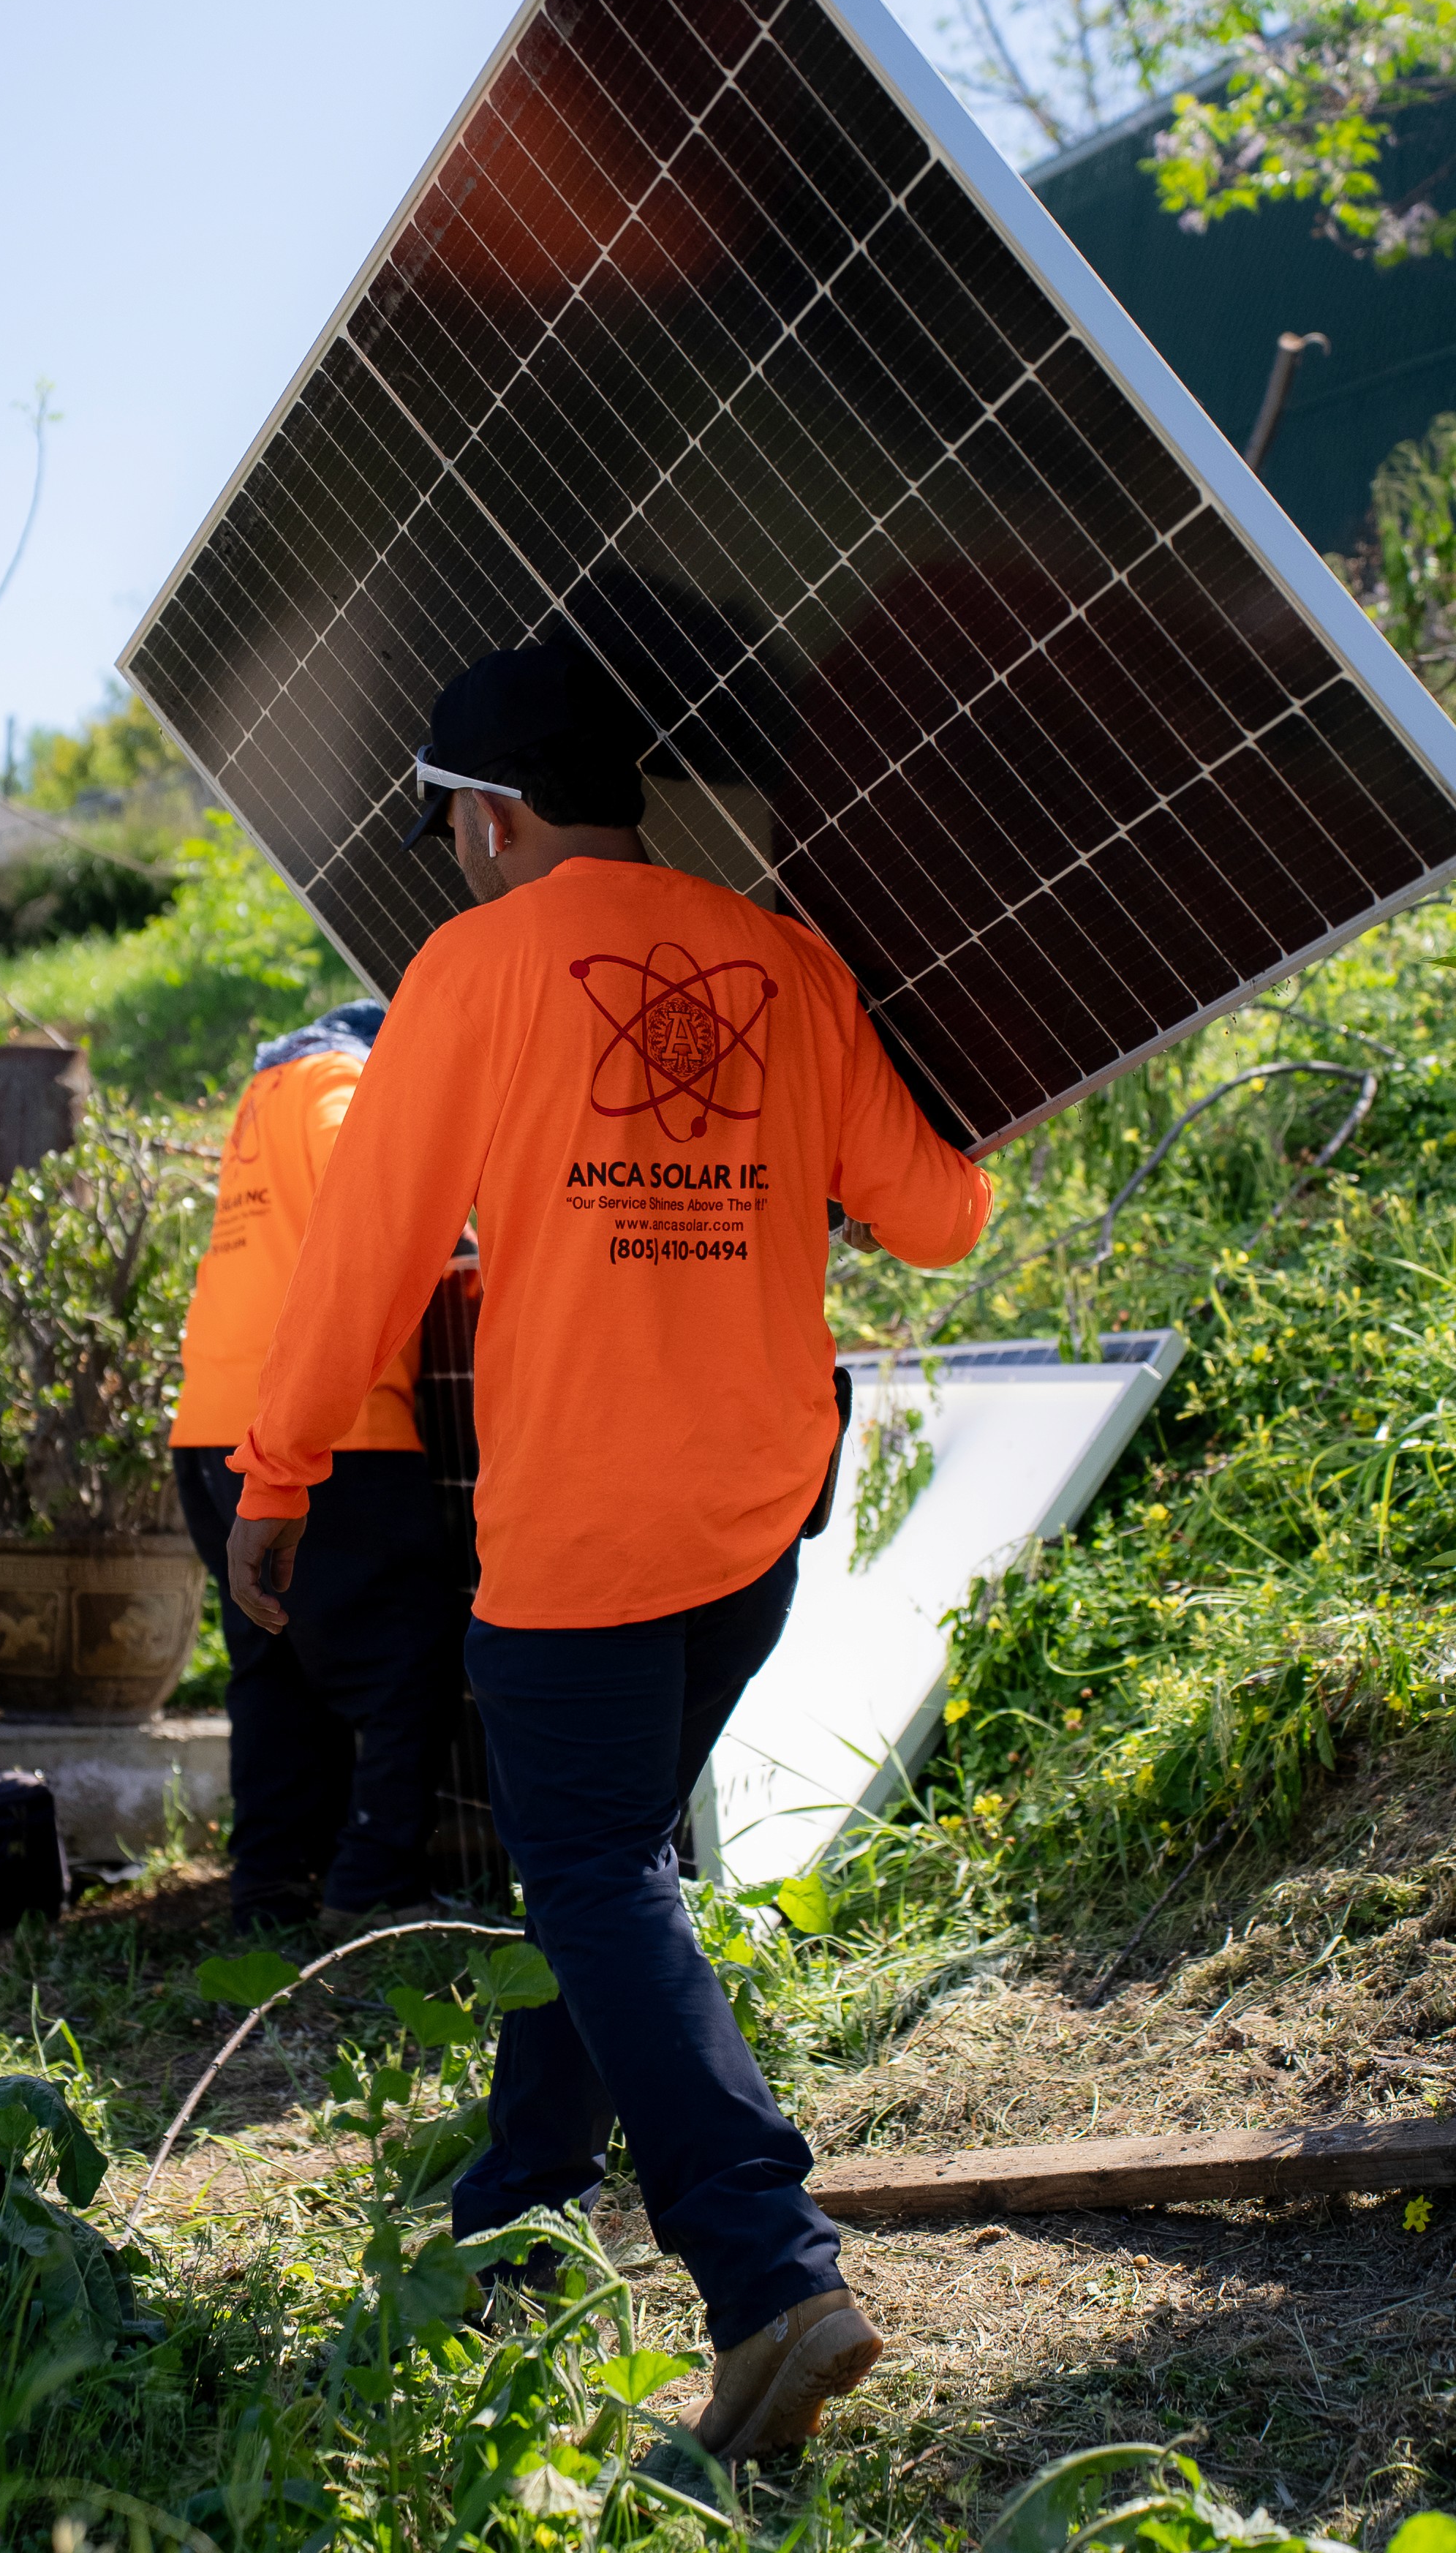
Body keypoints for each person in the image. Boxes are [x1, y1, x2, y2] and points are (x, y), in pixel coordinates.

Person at [222, 641, 992, 2460]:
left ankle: (769, 2271)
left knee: (587, 1867)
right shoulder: (787, 957)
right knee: (606, 1861)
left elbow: (366, 1256)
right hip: (753, 1517)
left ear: (490, 816)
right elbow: (941, 1220)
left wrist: (278, 1471)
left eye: (446, 832)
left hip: (583, 1526)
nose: (450, 863)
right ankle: (521, 2204)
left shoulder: (472, 965)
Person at [170, 999, 463, 1937]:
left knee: (277, 1666)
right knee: (405, 1659)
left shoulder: (266, 1092)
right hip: (329, 1429)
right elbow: (369, 1181)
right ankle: (374, 1888)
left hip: (209, 1426)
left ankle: (269, 1887)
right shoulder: (346, 1076)